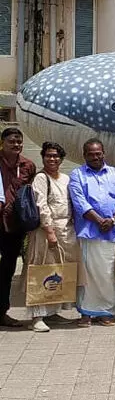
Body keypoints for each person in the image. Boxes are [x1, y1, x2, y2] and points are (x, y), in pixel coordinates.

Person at [68, 139, 115, 327]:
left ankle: (105, 312)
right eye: (91, 154)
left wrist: (113, 220)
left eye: (98, 153)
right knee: (87, 275)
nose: (95, 157)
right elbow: (79, 202)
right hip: (89, 232)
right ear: (84, 155)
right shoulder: (77, 174)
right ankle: (86, 313)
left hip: (111, 232)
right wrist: (100, 220)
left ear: (103, 153)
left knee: (108, 275)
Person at [25, 142, 81, 332]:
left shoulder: (65, 178)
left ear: (61, 159)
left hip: (66, 230)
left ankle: (52, 312)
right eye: (48, 155)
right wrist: (50, 232)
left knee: (60, 271)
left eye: (56, 156)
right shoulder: (41, 178)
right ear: (43, 157)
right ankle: (37, 316)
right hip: (46, 231)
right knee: (41, 270)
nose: (52, 159)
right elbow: (41, 205)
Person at [0, 127, 37, 327]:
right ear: (2, 143)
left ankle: (2, 312)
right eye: (11, 141)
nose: (16, 145)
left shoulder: (27, 166)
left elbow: (30, 195)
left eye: (19, 142)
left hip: (14, 226)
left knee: (7, 270)